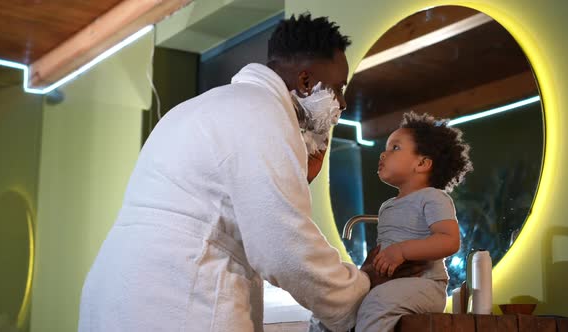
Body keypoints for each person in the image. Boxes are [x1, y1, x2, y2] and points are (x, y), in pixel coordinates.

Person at [77, 14, 423, 332]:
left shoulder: (204, 106)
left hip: (119, 295)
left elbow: (228, 212)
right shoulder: (263, 115)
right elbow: (286, 249)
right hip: (176, 302)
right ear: (306, 81)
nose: (343, 104)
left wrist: (298, 178)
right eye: (338, 88)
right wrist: (360, 286)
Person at [353, 112, 473, 332]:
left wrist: (402, 250)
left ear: (422, 163)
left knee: (379, 300)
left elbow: (449, 241)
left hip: (426, 284)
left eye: (395, 148)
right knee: (343, 304)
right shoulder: (388, 206)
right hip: (392, 284)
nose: (383, 153)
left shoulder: (433, 197)